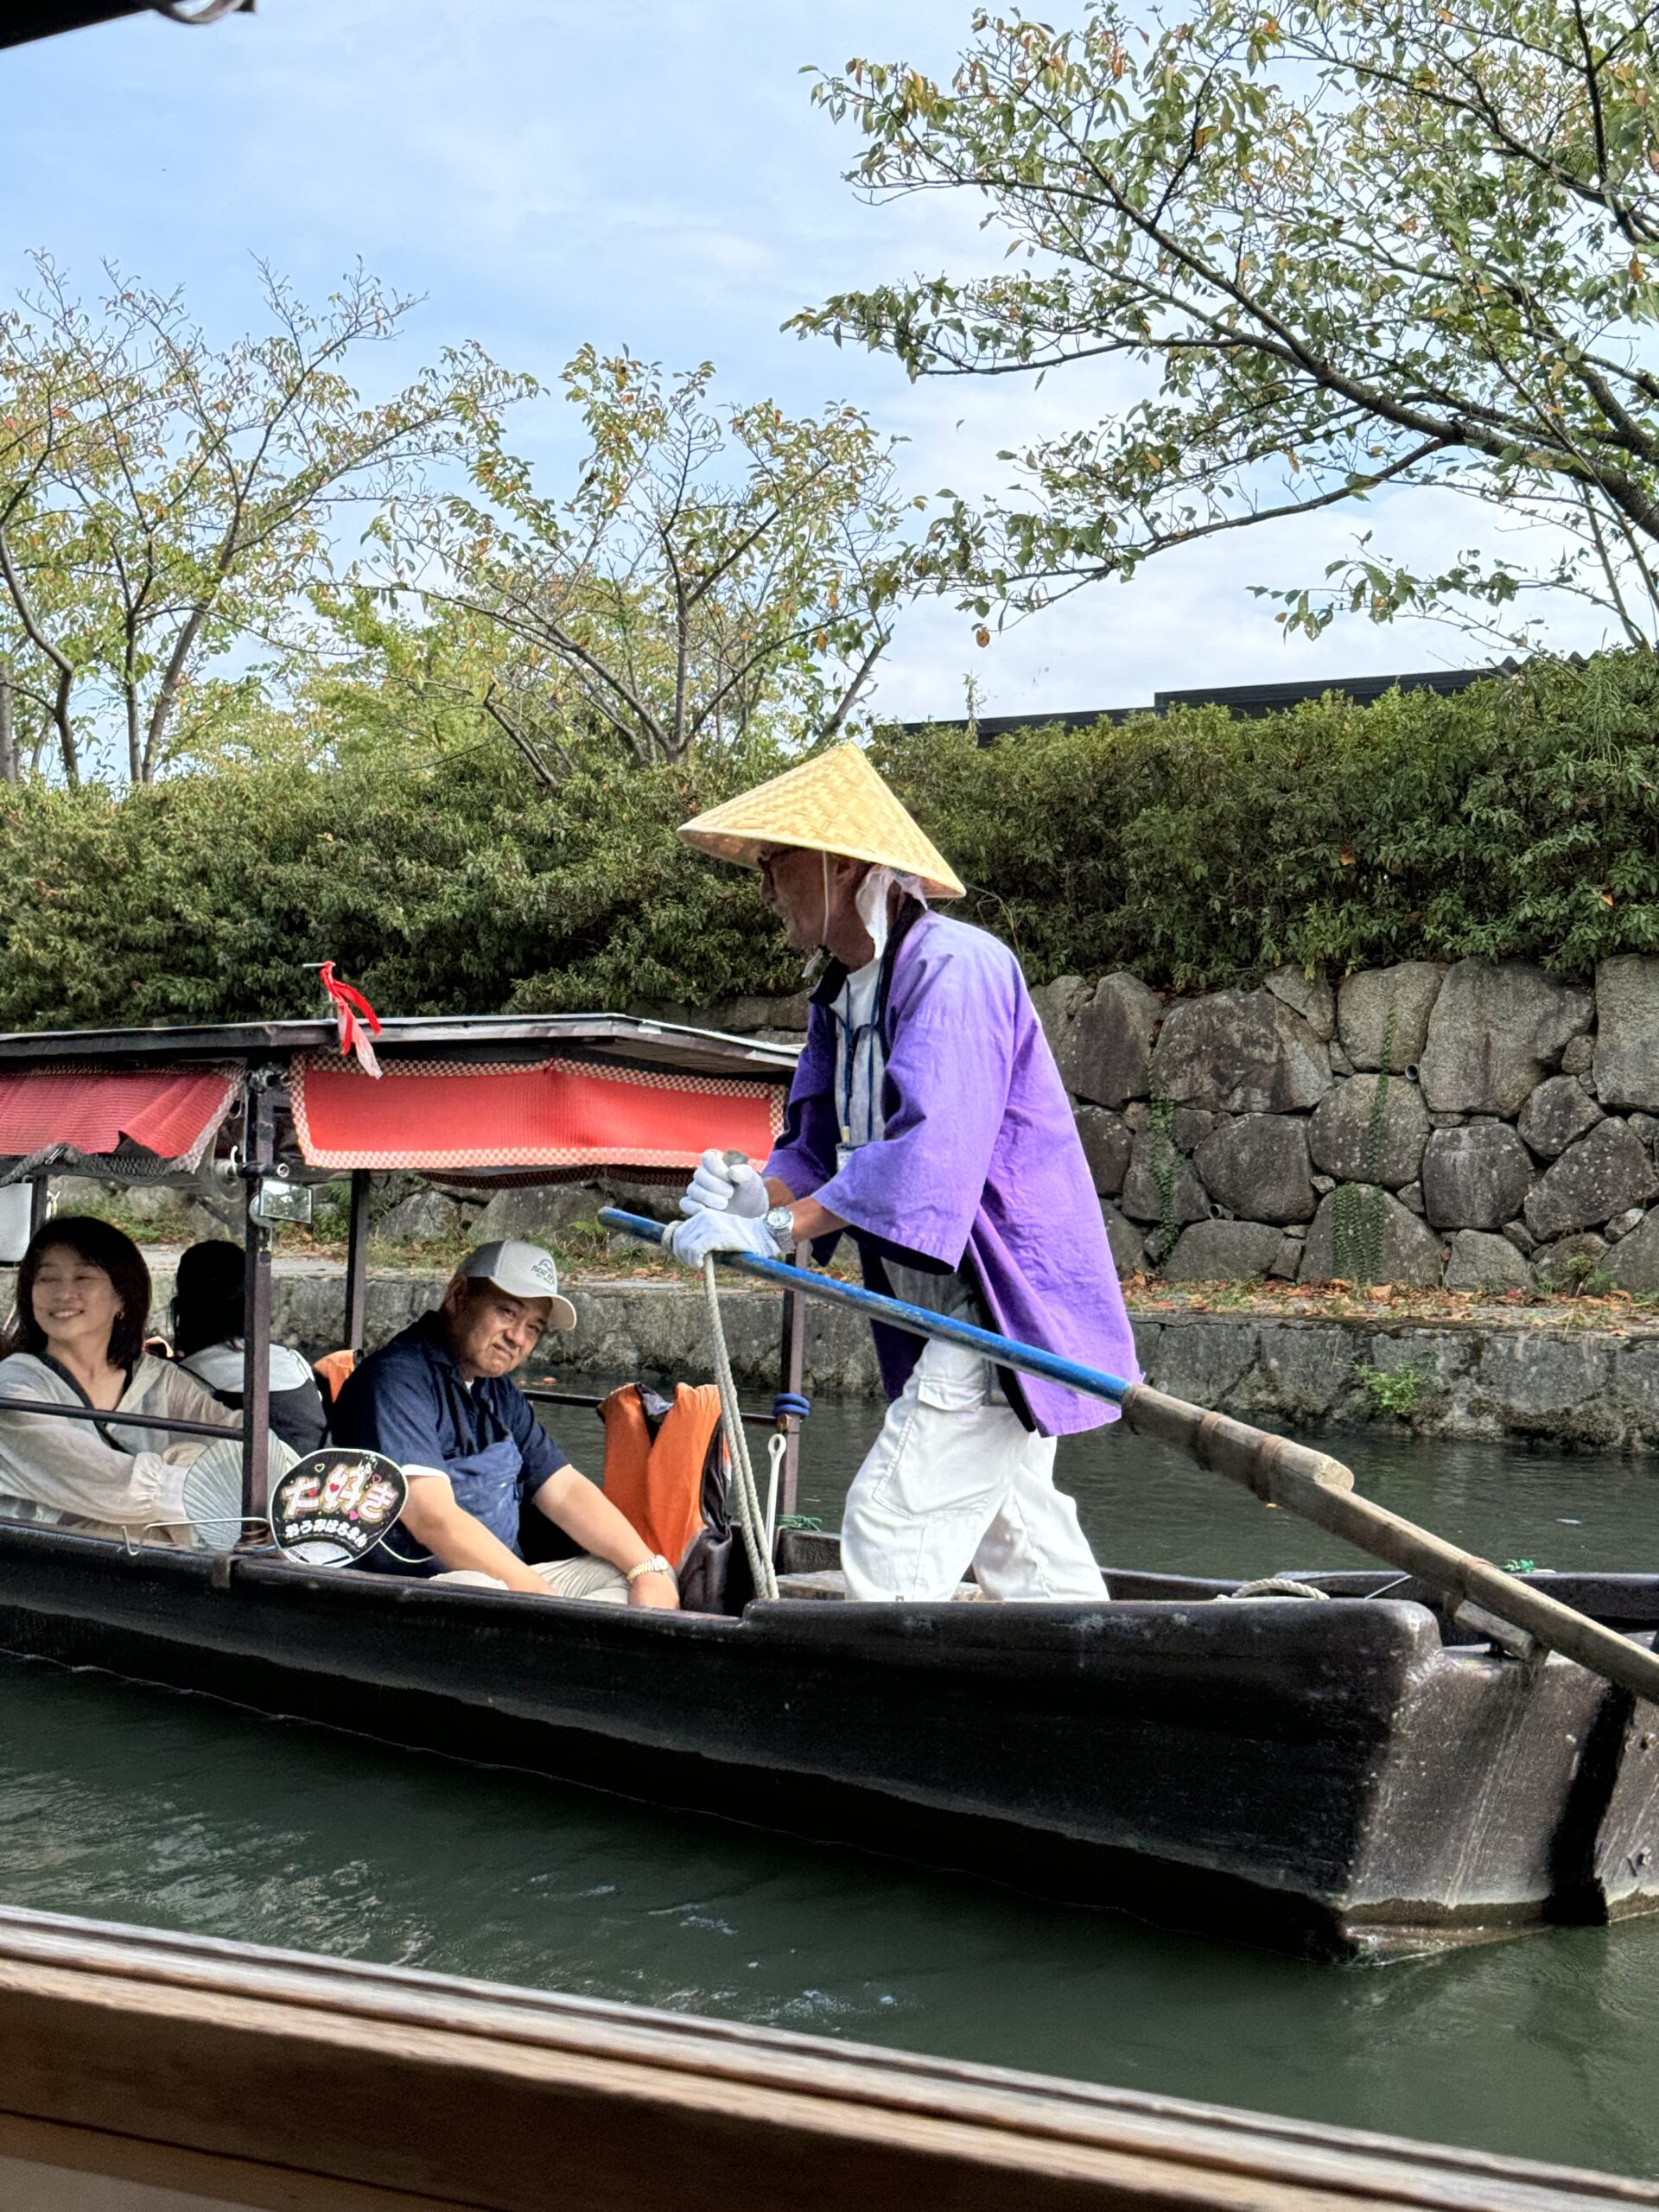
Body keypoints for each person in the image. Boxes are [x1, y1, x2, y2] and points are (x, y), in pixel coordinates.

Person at [668, 743, 1138, 1604]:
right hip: (938, 1306)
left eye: (777, 862)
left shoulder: (954, 967)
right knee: (1026, 1555)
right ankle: (1112, 1709)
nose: (765, 887)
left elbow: (932, 1158)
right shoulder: (844, 992)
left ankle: (878, 1724)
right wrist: (751, 1194)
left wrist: (775, 1229)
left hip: (1000, 1306)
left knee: (888, 1535)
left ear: (842, 863)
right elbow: (813, 1150)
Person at [330, 1240, 680, 1607]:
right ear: (459, 1294)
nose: (517, 1338)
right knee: (485, 1592)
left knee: (651, 1576)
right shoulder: (396, 1380)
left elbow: (563, 1488)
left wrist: (643, 1568)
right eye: (507, 1312)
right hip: (412, 1588)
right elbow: (431, 1517)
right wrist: (546, 1603)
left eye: (533, 1328)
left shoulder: (496, 1390)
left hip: (512, 1583)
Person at [0, 1216, 283, 1548]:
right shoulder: (15, 1389)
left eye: (83, 1276)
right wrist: (228, 1499)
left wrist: (287, 1487)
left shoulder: (155, 1378)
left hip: (155, 1571)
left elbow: (246, 1439)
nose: (62, 1293)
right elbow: (114, 1485)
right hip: (46, 1575)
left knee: (199, 1454)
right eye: (46, 1279)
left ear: (122, 1297)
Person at [170, 1240, 328, 1457]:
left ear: (185, 1309)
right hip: (320, 1481)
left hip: (240, 1487)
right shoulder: (294, 1360)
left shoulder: (188, 1377)